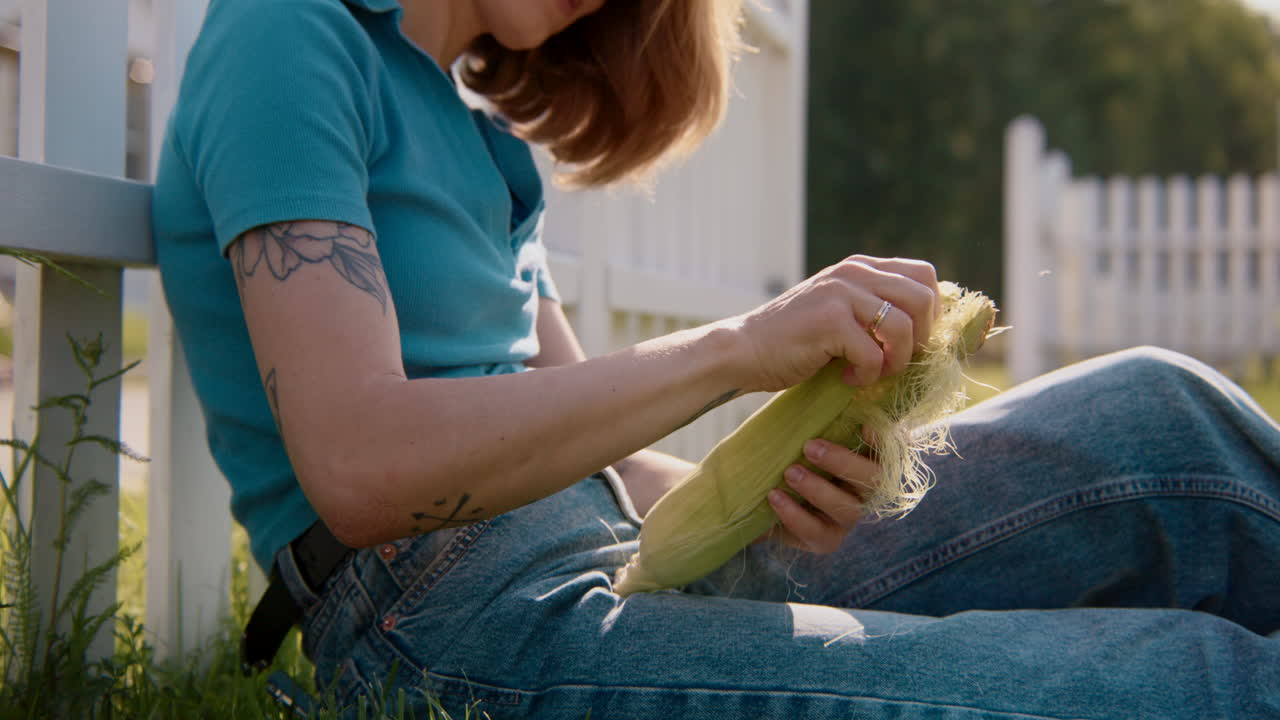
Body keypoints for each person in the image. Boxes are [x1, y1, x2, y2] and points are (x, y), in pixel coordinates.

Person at [151, 0, 1280, 717]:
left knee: (1160, 419)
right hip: (447, 626)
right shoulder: (287, 31)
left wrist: (781, 495)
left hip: (610, 555)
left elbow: (602, 466)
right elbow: (356, 470)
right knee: (1191, 678)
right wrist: (736, 349)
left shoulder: (481, 142)